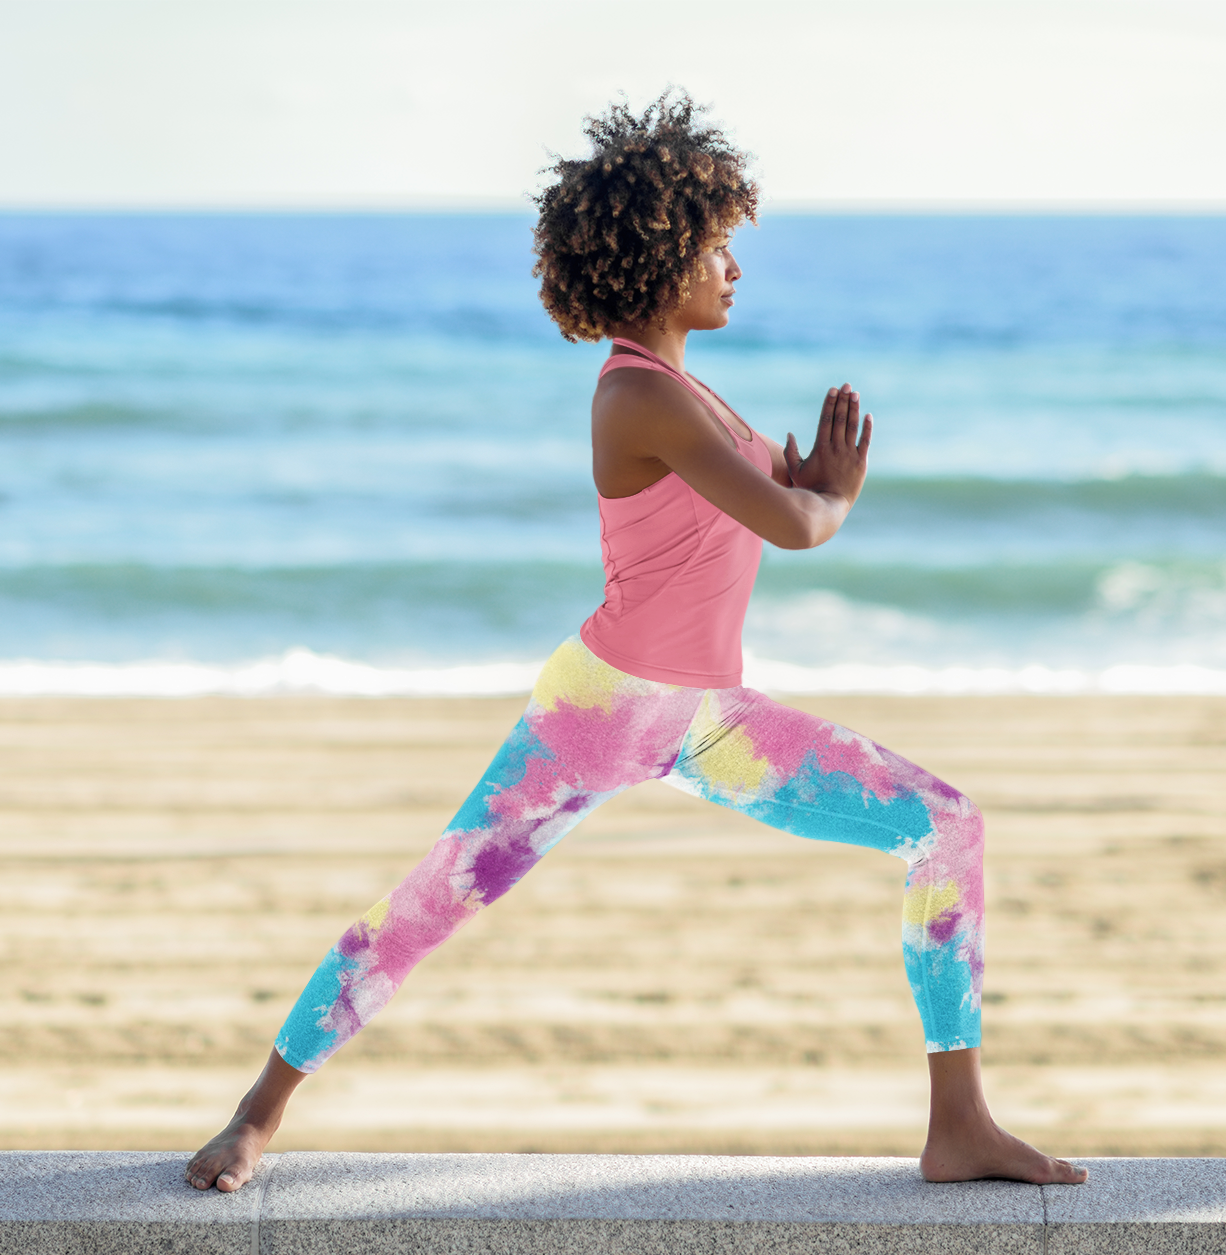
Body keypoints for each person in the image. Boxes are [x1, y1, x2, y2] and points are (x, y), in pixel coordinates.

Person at [186, 94, 1086, 1193]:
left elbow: (747, 507)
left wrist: (792, 485)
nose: (734, 270)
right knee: (433, 901)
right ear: (663, 259)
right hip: (598, 713)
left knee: (944, 824)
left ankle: (961, 1124)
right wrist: (833, 497)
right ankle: (256, 1112)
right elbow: (795, 528)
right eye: (717, 248)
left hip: (709, 717)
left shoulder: (683, 388)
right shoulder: (636, 396)